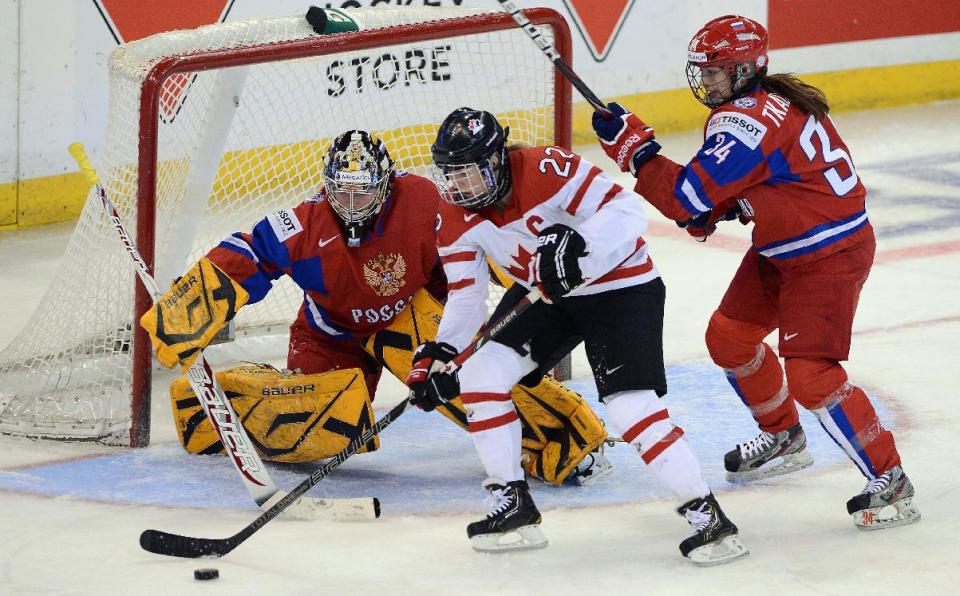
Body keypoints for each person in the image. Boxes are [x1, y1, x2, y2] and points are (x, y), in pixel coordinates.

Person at [591, 15, 920, 531]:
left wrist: (639, 153)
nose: (709, 81)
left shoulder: (748, 121)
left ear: (748, 68)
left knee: (812, 377)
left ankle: (891, 478)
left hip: (828, 256)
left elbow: (686, 198)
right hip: (785, 245)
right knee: (729, 338)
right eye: (705, 70)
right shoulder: (756, 107)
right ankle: (784, 435)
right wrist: (729, 204)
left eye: (719, 71)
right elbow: (760, 179)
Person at [140, 130, 609, 485]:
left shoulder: (425, 200)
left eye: (362, 191)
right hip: (329, 334)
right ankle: (214, 404)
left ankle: (565, 439)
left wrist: (518, 286)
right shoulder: (304, 222)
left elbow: (479, 238)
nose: (350, 203)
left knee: (466, 379)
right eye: (340, 191)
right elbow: (249, 250)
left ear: (385, 183)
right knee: (326, 429)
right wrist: (190, 307)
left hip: (406, 318)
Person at [408, 107, 748, 565]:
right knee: (478, 376)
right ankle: (512, 503)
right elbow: (467, 296)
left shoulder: (547, 168)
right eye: (450, 175)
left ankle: (707, 516)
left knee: (630, 408)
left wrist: (578, 241)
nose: (457, 186)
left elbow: (627, 212)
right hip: (546, 295)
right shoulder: (453, 215)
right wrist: (443, 352)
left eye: (467, 173)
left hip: (620, 286)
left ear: (495, 160)